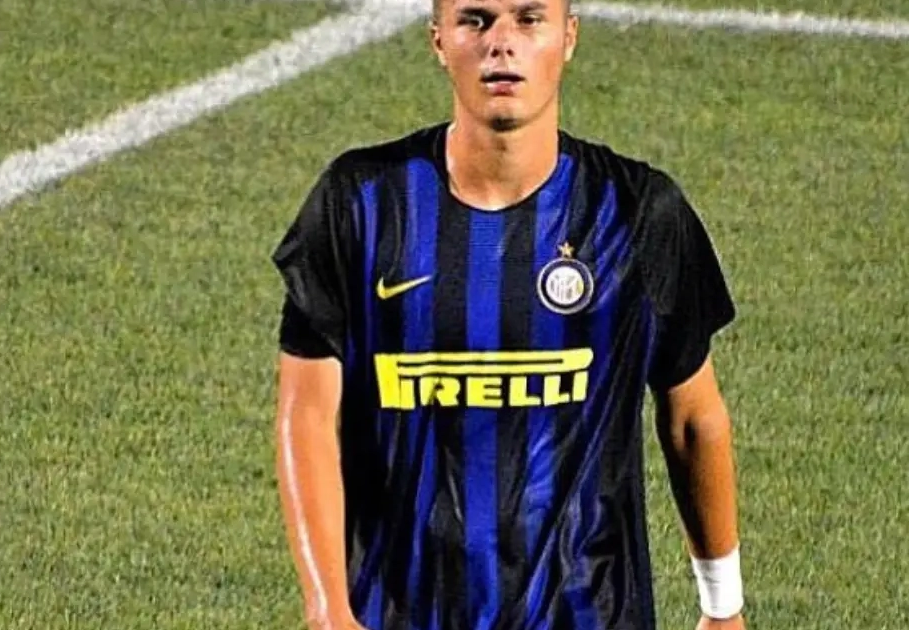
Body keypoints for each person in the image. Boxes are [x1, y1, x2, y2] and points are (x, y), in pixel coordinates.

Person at [269, 0, 746, 629]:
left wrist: (723, 606)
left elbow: (692, 419)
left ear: (568, 37)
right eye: (475, 20)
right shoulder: (360, 204)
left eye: (528, 18)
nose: (502, 43)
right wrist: (328, 609)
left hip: (590, 613)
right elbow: (306, 413)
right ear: (438, 41)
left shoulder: (636, 213)